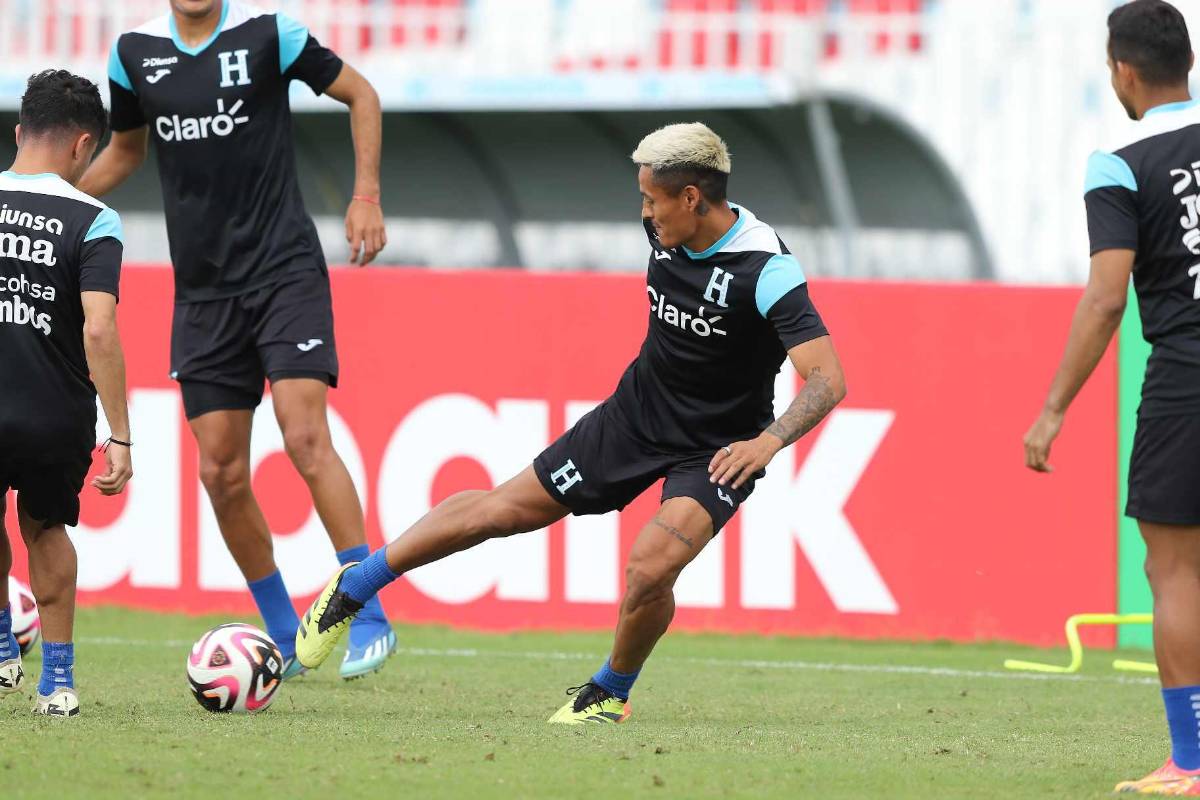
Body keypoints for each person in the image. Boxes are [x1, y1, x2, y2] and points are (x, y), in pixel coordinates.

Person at [294, 122, 847, 723]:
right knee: (501, 512)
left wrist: (767, 442)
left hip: (717, 448)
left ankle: (609, 691)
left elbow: (828, 379)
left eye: (651, 198)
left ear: (692, 197)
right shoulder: (662, 228)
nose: (643, 212)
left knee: (650, 567)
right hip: (634, 418)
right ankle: (355, 586)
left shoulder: (766, 270)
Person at [78, 0, 393, 679]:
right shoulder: (133, 54)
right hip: (203, 295)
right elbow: (126, 152)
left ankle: (365, 611)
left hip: (285, 273)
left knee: (305, 434)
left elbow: (361, 95)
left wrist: (365, 192)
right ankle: (285, 634)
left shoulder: (268, 35)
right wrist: (52, 199)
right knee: (219, 472)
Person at [1023, 1, 1200, 793]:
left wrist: (1055, 406)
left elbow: (1105, 298)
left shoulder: (1118, 157)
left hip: (1188, 377)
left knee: (1176, 571)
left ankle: (1191, 765)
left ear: (1123, 70)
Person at [0, 70, 133, 717]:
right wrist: (122, 433)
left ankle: (2, 650)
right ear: (84, 146)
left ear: (21, 132)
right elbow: (100, 329)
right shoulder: (94, 218)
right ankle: (57, 684)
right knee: (44, 528)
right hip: (55, 413)